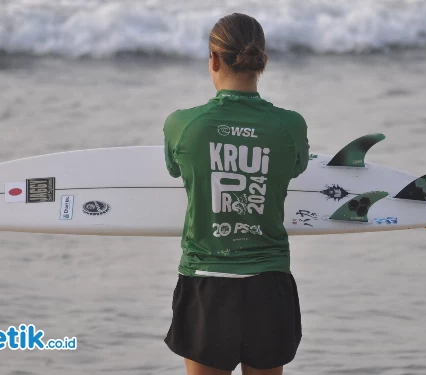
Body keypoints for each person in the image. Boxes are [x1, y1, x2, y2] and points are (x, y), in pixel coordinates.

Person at [163, 13, 310, 375]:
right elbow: (297, 167)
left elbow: (174, 169)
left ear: (213, 59)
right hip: (269, 284)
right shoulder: (290, 126)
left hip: (206, 281)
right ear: (263, 60)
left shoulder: (182, 124)